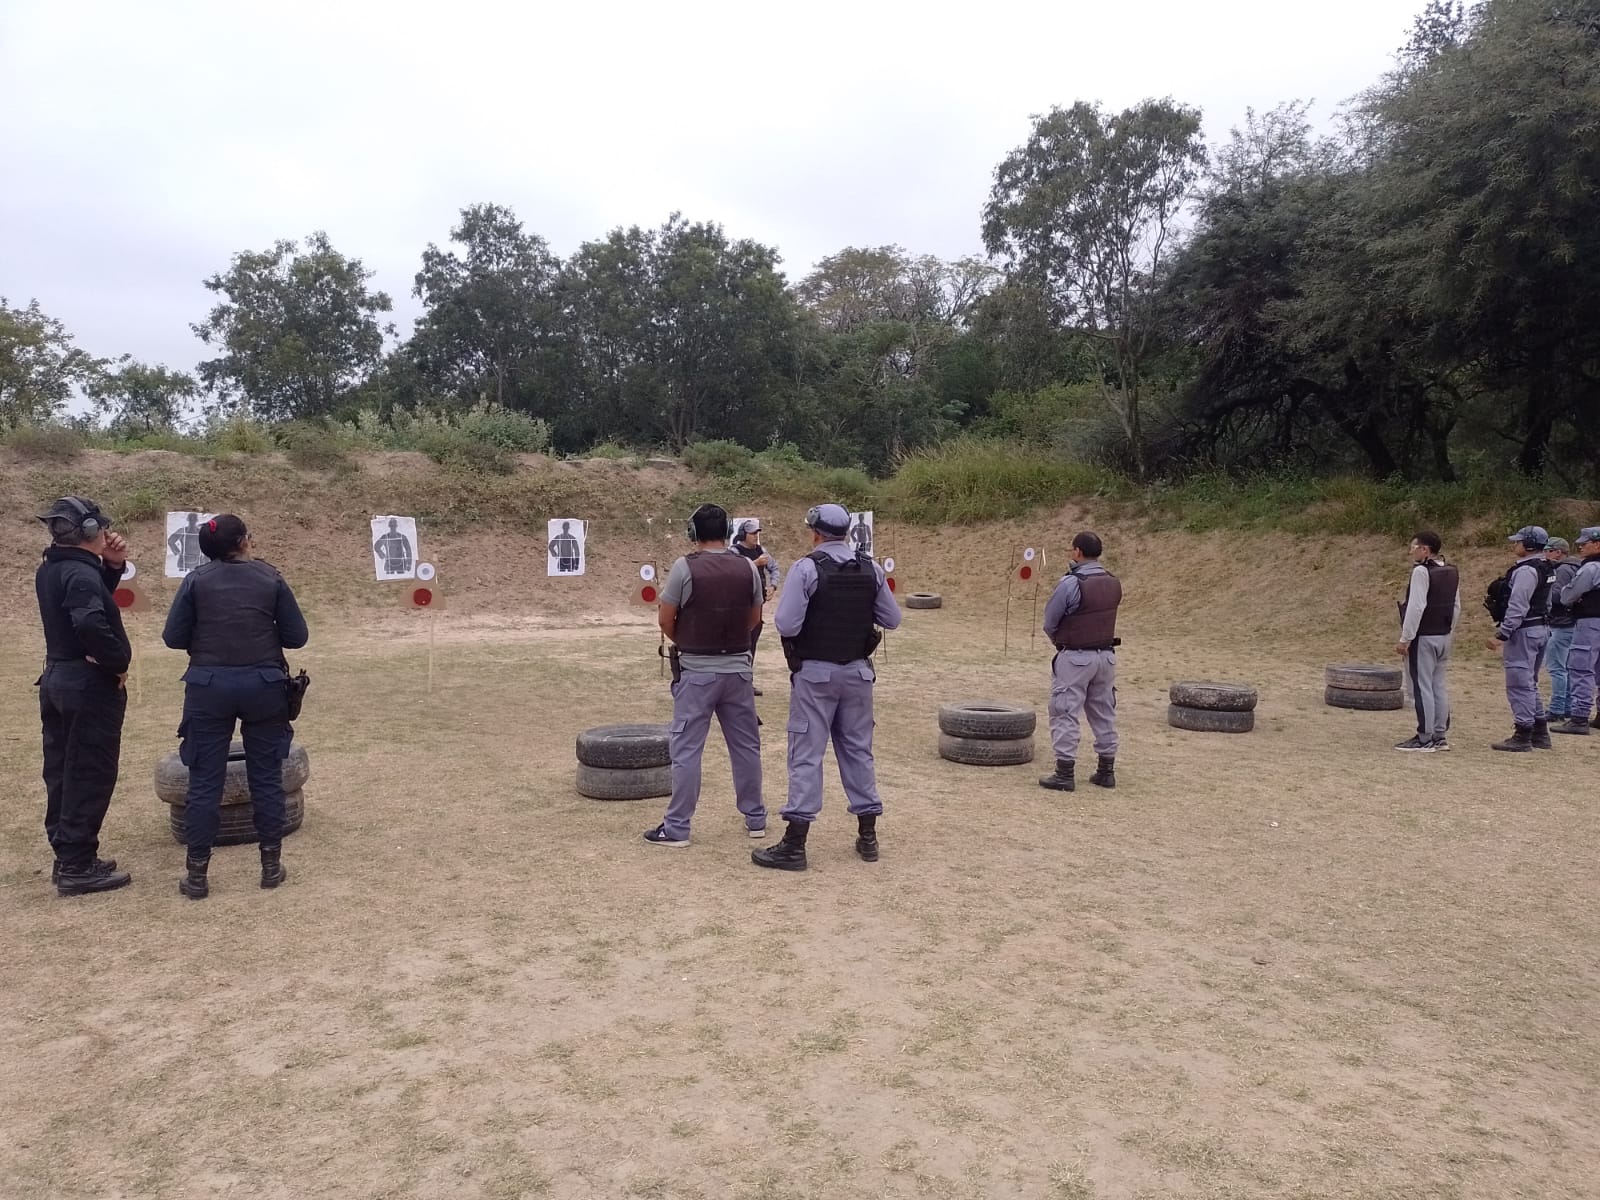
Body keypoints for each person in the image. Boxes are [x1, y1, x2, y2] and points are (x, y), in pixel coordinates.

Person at [161, 514, 309, 897]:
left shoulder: (195, 580)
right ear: (244, 541)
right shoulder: (270, 578)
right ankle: (270, 867)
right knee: (266, 778)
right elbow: (297, 636)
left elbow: (173, 637)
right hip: (264, 686)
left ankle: (197, 876)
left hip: (208, 686)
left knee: (204, 783)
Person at [753, 503, 901, 871]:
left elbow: (787, 624)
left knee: (806, 755)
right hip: (858, 673)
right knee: (858, 752)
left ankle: (795, 844)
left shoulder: (807, 568)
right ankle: (868, 835)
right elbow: (891, 618)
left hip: (816, 674)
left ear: (815, 532)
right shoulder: (870, 568)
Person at [643, 504, 767, 847]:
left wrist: (689, 641)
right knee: (746, 747)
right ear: (727, 532)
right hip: (739, 671)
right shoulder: (747, 567)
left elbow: (665, 619)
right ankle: (756, 818)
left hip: (697, 673)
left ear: (693, 533)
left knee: (686, 750)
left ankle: (677, 827)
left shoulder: (685, 567)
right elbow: (754, 618)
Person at [34, 496, 135, 896]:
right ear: (90, 530)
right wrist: (116, 662)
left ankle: (68, 856)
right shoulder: (79, 573)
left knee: (63, 770)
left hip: (59, 678)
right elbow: (90, 619)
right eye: (101, 527)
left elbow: (90, 600)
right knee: (89, 771)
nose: (107, 532)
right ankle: (77, 865)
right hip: (86, 685)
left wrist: (111, 567)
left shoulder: (55, 568)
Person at [1038, 532, 1121, 791]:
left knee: (1064, 711)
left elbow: (1050, 622)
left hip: (1076, 657)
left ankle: (1064, 773)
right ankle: (1106, 771)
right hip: (1106, 656)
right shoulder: (1113, 582)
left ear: (1078, 552)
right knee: (1104, 711)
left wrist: (1059, 641)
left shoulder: (1071, 583)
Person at [1485, 526, 1555, 752]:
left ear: (1529, 545)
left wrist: (1503, 633)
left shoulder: (1526, 571)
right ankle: (1540, 732)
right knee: (1530, 683)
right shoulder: (1546, 566)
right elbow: (1547, 602)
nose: (1515, 545)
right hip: (1541, 627)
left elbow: (1518, 605)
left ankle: (1523, 734)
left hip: (1524, 631)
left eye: (1519, 542)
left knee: (1518, 683)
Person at [1393, 531, 1460, 753]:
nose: (1411, 551)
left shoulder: (1421, 572)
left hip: (1424, 637)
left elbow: (1416, 606)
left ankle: (1425, 737)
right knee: (1438, 685)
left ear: (1425, 549)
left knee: (1422, 687)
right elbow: (1456, 606)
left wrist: (1406, 638)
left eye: (1414, 547)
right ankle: (1439, 735)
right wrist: (1449, 631)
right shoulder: (1451, 571)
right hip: (1443, 636)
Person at [1552, 527, 1600, 736]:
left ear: (1597, 544)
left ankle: (1579, 717)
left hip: (1590, 622)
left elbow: (1567, 596)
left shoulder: (1591, 568)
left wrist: (1574, 595)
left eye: (1585, 543)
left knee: (1581, 667)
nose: (1580, 546)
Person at [731, 519, 780, 695]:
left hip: (756, 606)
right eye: (752, 533)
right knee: (739, 647)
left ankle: (746, 683)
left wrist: (773, 586)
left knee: (751, 646)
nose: (755, 536)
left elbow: (775, 568)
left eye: (757, 533)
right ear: (743, 534)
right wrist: (755, 563)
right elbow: (733, 570)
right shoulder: (734, 552)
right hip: (739, 605)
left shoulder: (761, 551)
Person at [1543, 538, 1577, 723]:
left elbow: (1558, 596)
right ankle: (1567, 707)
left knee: (1557, 668)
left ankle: (1557, 709)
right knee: (1567, 668)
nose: (1545, 553)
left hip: (1561, 623)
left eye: (1548, 549)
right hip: (1571, 623)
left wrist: (1543, 591)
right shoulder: (1574, 567)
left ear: (1558, 552)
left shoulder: (1562, 570)